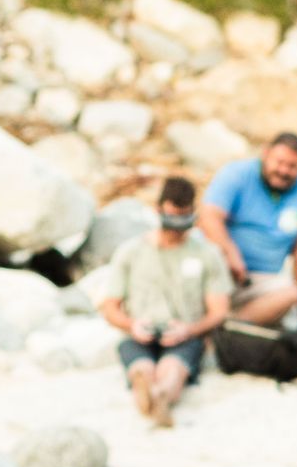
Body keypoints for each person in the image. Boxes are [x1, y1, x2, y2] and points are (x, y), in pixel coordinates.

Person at [97, 177, 231, 427]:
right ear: (159, 211)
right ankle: (147, 390)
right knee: (141, 366)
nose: (177, 227)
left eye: (183, 219)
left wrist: (188, 330)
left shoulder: (206, 254)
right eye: (172, 219)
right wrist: (132, 325)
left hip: (185, 333)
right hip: (139, 333)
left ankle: (161, 396)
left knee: (174, 367)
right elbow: (110, 308)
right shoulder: (131, 252)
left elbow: (219, 311)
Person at [199, 132, 297, 328]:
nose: (284, 170)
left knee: (292, 293)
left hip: (264, 279)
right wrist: (230, 253)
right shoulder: (237, 173)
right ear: (265, 154)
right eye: (279, 162)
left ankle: (227, 326)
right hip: (222, 268)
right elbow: (208, 217)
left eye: (292, 166)